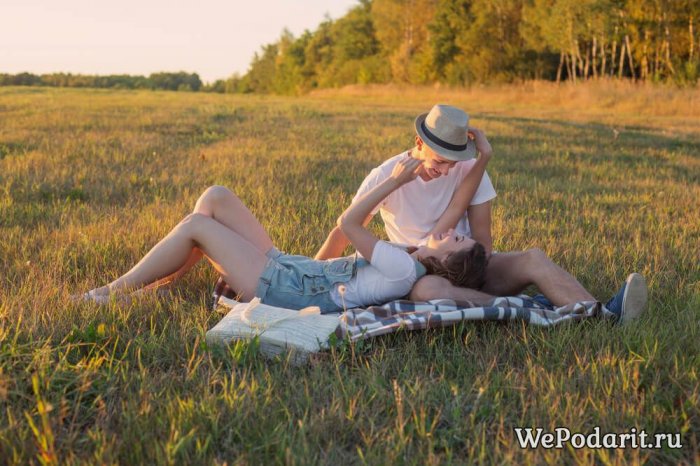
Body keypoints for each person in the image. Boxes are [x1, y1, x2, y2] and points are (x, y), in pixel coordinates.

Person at [315, 104, 648, 322]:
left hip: (468, 265)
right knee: (429, 290)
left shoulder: (470, 171)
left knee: (533, 258)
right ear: (418, 143)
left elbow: (483, 241)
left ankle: (603, 314)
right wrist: (314, 275)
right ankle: (525, 305)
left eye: (454, 162)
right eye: (440, 161)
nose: (447, 170)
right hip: (419, 276)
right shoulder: (388, 175)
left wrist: (469, 273)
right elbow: (344, 230)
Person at [76, 157, 489, 314]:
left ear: (442, 262)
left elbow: (348, 224)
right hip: (293, 271)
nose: (452, 232)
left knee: (197, 226)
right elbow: (457, 205)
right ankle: (165, 285)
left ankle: (108, 293)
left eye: (455, 240)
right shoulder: (411, 256)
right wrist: (482, 156)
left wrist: (394, 182)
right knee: (216, 197)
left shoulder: (403, 267)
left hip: (285, 290)